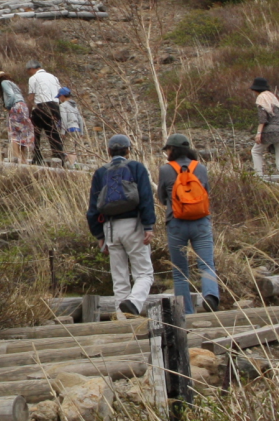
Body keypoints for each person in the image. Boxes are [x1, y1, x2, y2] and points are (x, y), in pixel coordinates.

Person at [88, 134, 155, 314]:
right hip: (134, 226)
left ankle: (123, 320)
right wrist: (148, 226)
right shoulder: (136, 167)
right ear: (128, 150)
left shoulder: (100, 172)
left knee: (119, 279)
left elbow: (93, 208)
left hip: (110, 229)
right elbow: (146, 198)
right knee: (144, 274)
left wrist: (99, 235)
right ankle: (133, 303)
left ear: (109, 151)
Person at [160, 133, 220, 314]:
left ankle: (186, 312)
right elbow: (206, 193)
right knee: (206, 264)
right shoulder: (200, 168)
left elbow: (162, 197)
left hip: (176, 223)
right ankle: (210, 296)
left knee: (179, 272)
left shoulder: (166, 169)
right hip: (200, 222)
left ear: (171, 150)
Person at [250, 77, 279, 183]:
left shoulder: (261, 98)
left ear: (255, 89)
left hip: (270, 131)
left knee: (255, 151)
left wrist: (259, 133)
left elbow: (263, 118)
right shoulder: (273, 98)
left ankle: (258, 178)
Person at [26, 60, 65, 164]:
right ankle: (59, 156)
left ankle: (37, 157)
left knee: (36, 131)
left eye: (28, 70)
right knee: (53, 132)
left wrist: (28, 112)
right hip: (55, 106)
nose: (28, 73)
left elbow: (31, 96)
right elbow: (60, 94)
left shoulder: (33, 78)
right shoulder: (53, 77)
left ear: (32, 68)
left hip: (42, 105)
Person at [0, 72, 34, 163]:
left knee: (14, 133)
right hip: (23, 106)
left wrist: (8, 106)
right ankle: (23, 157)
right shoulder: (14, 85)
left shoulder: (4, 82)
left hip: (16, 107)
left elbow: (11, 95)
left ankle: (17, 157)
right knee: (23, 131)